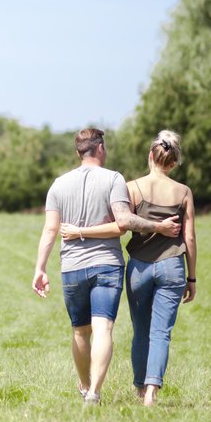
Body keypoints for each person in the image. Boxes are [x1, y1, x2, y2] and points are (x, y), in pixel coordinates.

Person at [32, 128, 180, 405]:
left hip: (72, 267)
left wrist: (40, 268)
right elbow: (124, 222)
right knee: (103, 329)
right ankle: (95, 392)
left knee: (79, 330)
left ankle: (85, 386)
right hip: (107, 265)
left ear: (79, 151)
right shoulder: (114, 179)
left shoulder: (58, 184)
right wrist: (158, 226)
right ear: (100, 148)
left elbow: (50, 229)